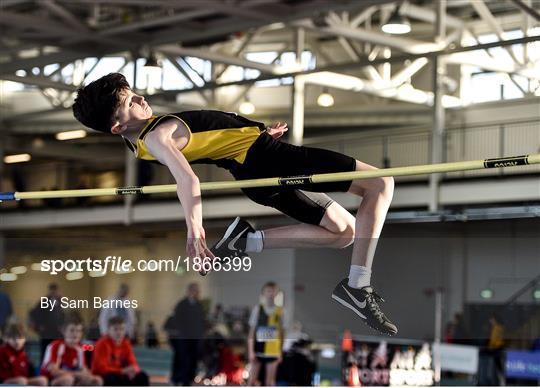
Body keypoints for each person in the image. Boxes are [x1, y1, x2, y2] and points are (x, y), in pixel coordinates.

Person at [72, 72, 397, 335]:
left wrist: (254, 132)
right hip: (271, 161)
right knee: (381, 183)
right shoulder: (157, 136)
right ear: (117, 126)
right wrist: (195, 232)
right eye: (131, 101)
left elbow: (208, 130)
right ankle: (358, 285)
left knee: (345, 232)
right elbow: (188, 180)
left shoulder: (141, 141)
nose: (142, 99)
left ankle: (247, 241)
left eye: (136, 93)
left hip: (253, 167)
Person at [40, 313, 103, 386]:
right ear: (64, 332)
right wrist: (78, 374)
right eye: (72, 330)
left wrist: (88, 375)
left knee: (97, 380)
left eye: (79, 331)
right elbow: (54, 372)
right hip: (51, 381)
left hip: (73, 379)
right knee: (68, 380)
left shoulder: (80, 349)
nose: (75, 334)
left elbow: (84, 369)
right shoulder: (56, 346)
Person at [92, 316, 149, 386]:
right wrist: (122, 371)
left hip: (120, 373)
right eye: (115, 329)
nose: (119, 332)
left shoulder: (125, 343)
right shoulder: (102, 344)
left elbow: (133, 363)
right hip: (104, 375)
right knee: (112, 378)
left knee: (142, 376)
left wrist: (134, 370)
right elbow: (102, 368)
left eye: (122, 329)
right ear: (109, 330)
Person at [247, 281, 285, 386]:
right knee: (251, 380)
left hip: (272, 350)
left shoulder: (280, 311)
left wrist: (280, 352)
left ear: (277, 294)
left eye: (273, 291)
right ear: (263, 293)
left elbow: (282, 333)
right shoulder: (258, 310)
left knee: (270, 381)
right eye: (268, 291)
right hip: (258, 349)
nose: (271, 294)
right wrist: (251, 352)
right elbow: (251, 333)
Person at [169, 282, 206, 385]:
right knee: (182, 359)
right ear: (190, 291)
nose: (197, 292)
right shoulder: (182, 304)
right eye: (195, 290)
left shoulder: (199, 305)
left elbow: (201, 321)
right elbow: (177, 320)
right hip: (184, 337)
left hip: (195, 338)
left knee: (193, 359)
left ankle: (189, 379)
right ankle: (179, 379)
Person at [29, 282, 64, 358]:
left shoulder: (61, 301)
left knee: (56, 352)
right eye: (52, 291)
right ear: (49, 291)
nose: (54, 293)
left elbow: (63, 316)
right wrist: (39, 327)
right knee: (45, 352)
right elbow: (34, 313)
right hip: (46, 333)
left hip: (57, 333)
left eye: (55, 291)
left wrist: (62, 327)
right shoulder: (44, 301)